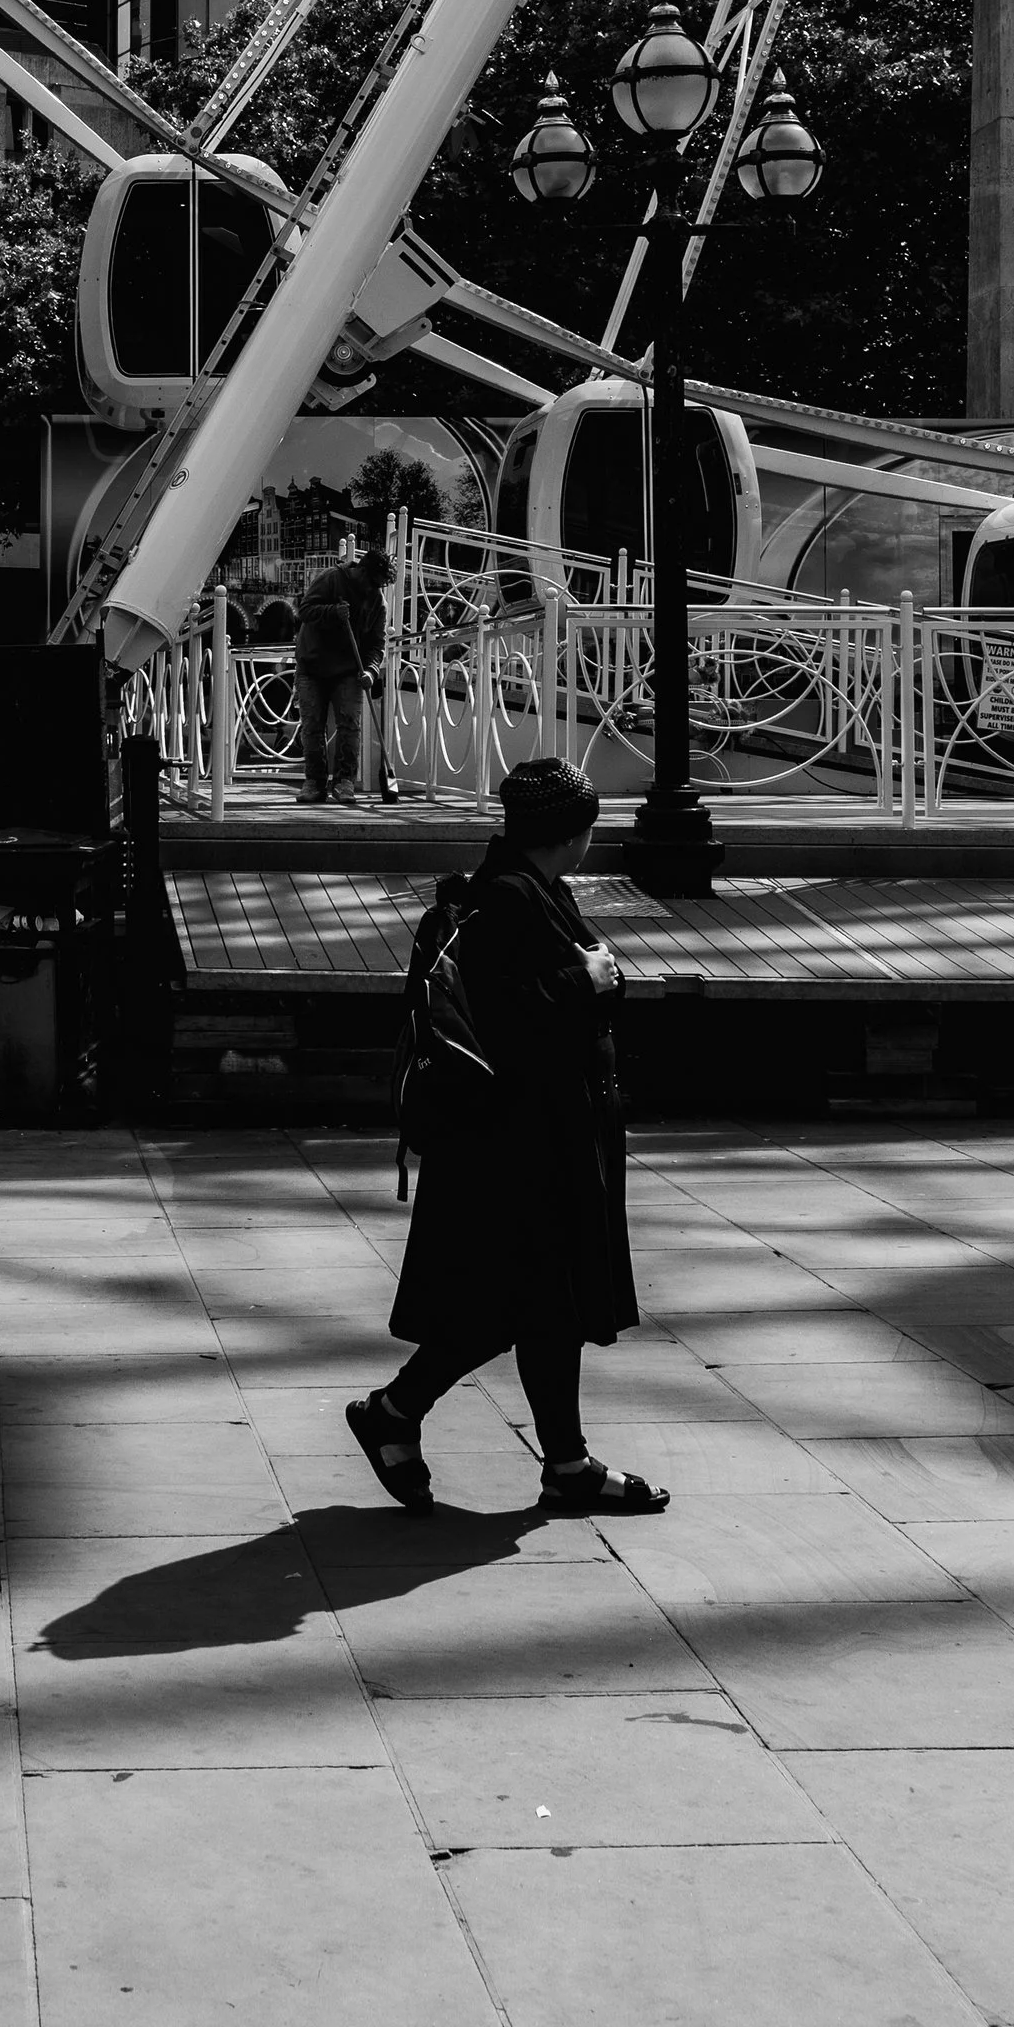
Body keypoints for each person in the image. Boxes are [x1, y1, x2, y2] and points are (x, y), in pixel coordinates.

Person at [348, 755, 667, 1517]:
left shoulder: (521, 889)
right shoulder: (511, 900)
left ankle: (564, 1462)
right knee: (513, 1304)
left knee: (541, 1304)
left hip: (531, 1136)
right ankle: (394, 1412)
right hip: (520, 1143)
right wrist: (589, 982)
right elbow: (514, 1018)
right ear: (575, 833)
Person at [292, 544, 393, 806]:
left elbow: (376, 644)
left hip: (349, 669)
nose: (374, 589)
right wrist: (332, 612)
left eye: (379, 585)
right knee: (313, 726)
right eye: (372, 582)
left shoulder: (377, 601)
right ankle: (314, 782)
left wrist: (371, 670)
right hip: (312, 665)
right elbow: (304, 611)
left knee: (350, 724)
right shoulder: (330, 579)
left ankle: (344, 781)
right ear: (361, 570)